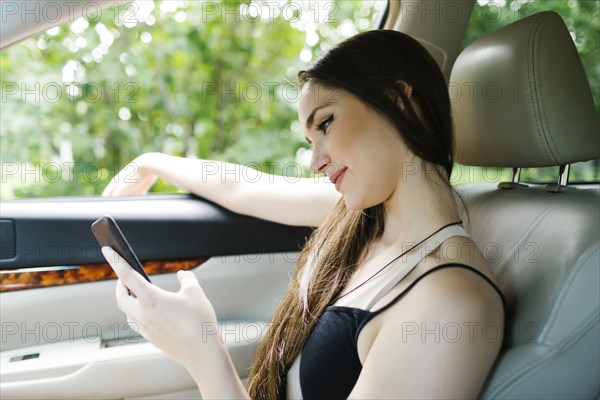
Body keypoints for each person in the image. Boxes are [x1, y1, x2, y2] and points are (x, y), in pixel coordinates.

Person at [101, 29, 505, 399]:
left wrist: (203, 352)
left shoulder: (450, 303)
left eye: (325, 124)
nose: (315, 162)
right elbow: (242, 188)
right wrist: (149, 162)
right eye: (309, 140)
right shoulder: (360, 218)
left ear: (398, 100)